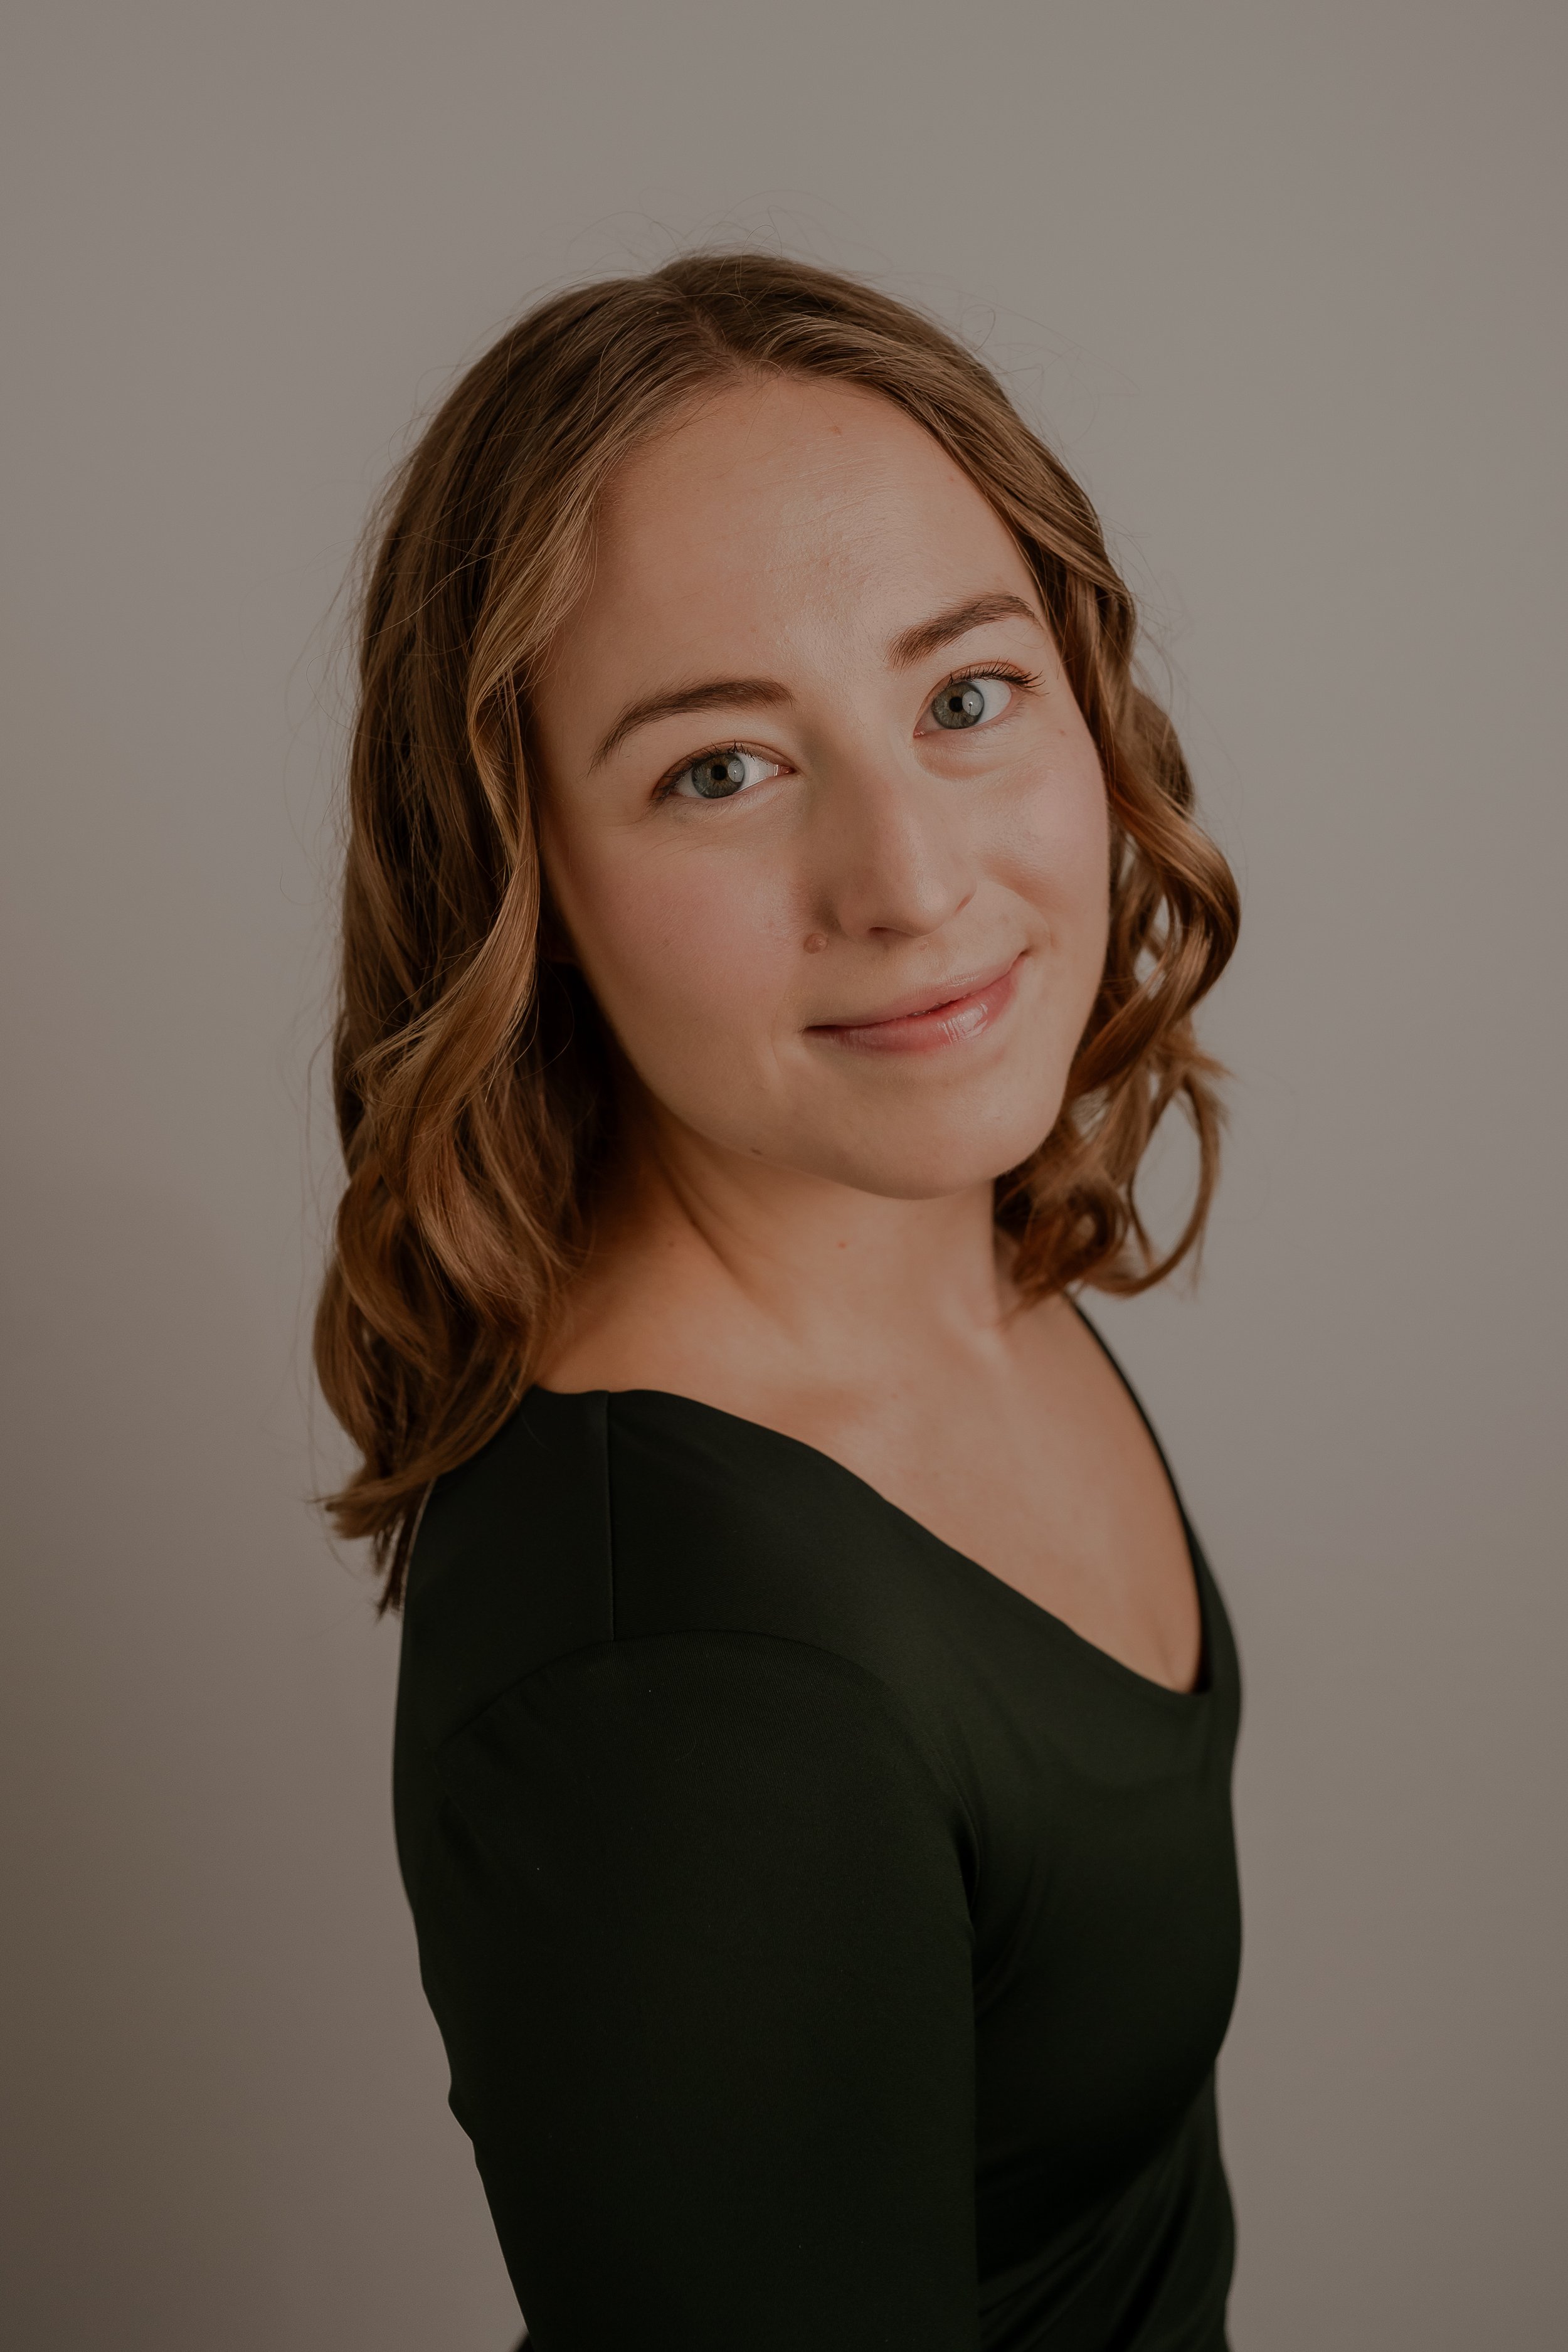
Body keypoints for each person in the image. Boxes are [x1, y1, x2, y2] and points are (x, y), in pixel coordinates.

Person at [315, 252, 1242, 2351]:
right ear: (519, 875)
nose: (911, 881)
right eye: (719, 769)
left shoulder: (958, 1239)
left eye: (963, 696)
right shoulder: (684, 1684)